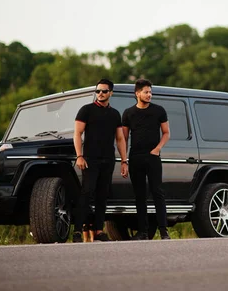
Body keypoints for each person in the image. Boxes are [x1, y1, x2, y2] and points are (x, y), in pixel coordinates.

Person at [72, 79, 128, 242]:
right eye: (98, 91)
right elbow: (77, 134)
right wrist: (79, 156)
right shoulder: (86, 110)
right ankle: (77, 231)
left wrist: (124, 160)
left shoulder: (115, 114)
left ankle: (98, 231)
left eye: (104, 91)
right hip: (90, 159)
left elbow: (120, 139)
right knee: (86, 193)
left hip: (108, 160)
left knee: (103, 195)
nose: (100, 94)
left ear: (111, 92)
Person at [122, 79, 171, 240]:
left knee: (158, 192)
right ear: (137, 93)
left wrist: (157, 149)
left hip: (153, 157)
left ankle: (163, 231)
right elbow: (123, 137)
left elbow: (166, 133)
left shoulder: (159, 111)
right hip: (135, 157)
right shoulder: (128, 113)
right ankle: (143, 232)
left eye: (150, 92)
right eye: (146, 92)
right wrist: (124, 160)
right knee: (140, 195)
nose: (149, 95)